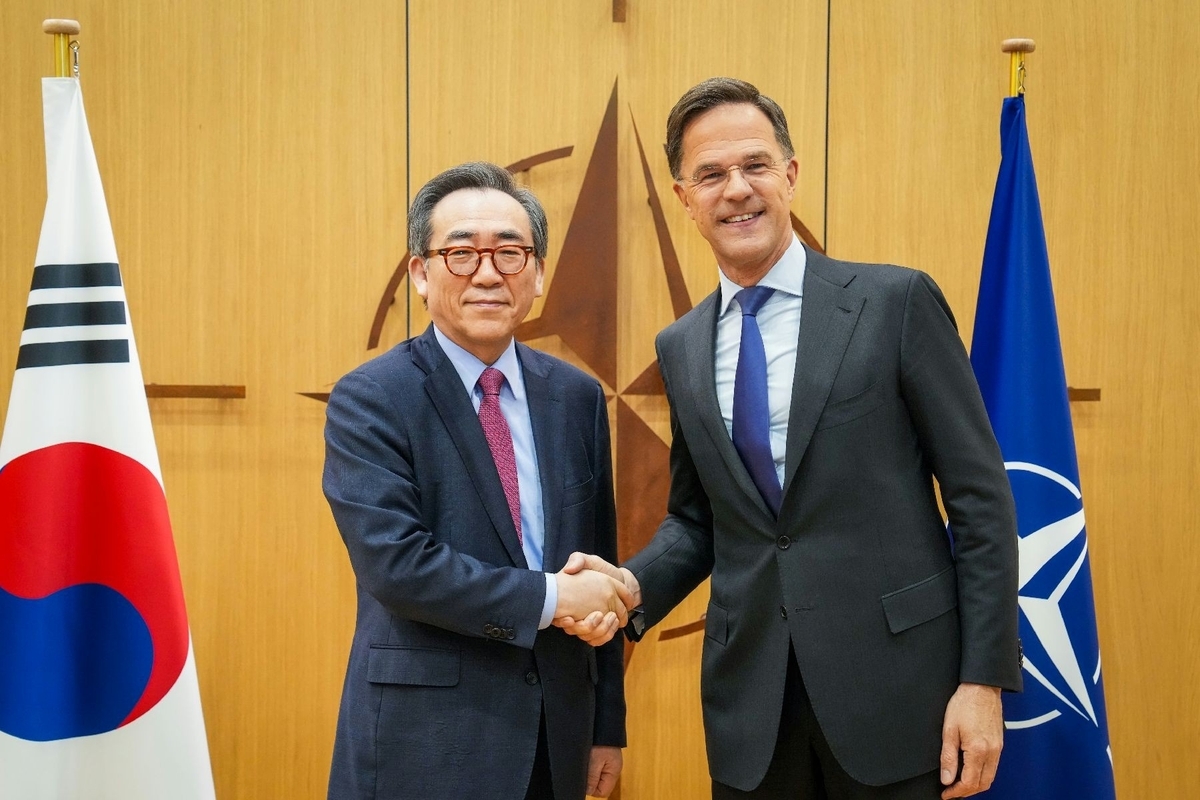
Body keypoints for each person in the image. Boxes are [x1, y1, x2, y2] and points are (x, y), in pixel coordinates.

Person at [559, 78, 1022, 799]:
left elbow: (981, 500)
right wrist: (628, 589)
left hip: (901, 700)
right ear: (684, 198)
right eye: (711, 174)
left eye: (755, 165)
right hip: (754, 715)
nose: (736, 189)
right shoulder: (680, 347)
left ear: (791, 175)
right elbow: (698, 518)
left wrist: (982, 680)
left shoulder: (893, 304)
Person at [323, 162, 628, 800]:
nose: (487, 274)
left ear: (538, 274)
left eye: (510, 253)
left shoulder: (575, 397)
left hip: (556, 737)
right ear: (420, 273)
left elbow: (596, 560)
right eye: (461, 253)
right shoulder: (371, 398)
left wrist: (606, 727)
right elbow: (397, 566)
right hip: (424, 740)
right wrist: (553, 599)